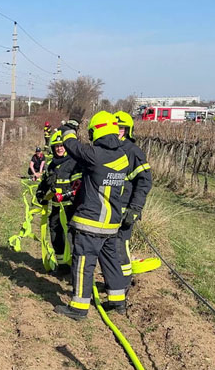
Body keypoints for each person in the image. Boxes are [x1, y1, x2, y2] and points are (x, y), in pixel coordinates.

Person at [54, 111, 130, 320]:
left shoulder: (94, 154)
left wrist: (69, 127)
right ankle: (118, 301)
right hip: (112, 223)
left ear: (96, 131)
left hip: (91, 222)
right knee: (111, 262)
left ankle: (79, 308)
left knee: (83, 264)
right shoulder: (122, 157)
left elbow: (71, 145)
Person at [113, 111, 152, 283]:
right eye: (115, 127)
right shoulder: (107, 149)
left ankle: (124, 283)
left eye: (121, 128)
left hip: (124, 210)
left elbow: (145, 181)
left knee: (119, 245)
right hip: (108, 209)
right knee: (108, 249)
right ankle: (113, 282)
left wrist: (135, 208)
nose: (118, 131)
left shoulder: (133, 152)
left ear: (128, 130)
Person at [36, 131, 82, 268]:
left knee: (71, 237)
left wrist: (67, 194)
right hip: (56, 208)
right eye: (56, 146)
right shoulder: (51, 165)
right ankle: (62, 266)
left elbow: (79, 185)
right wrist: (41, 193)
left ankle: (74, 267)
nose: (59, 148)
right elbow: (44, 183)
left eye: (62, 145)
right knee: (55, 234)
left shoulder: (74, 163)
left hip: (71, 209)